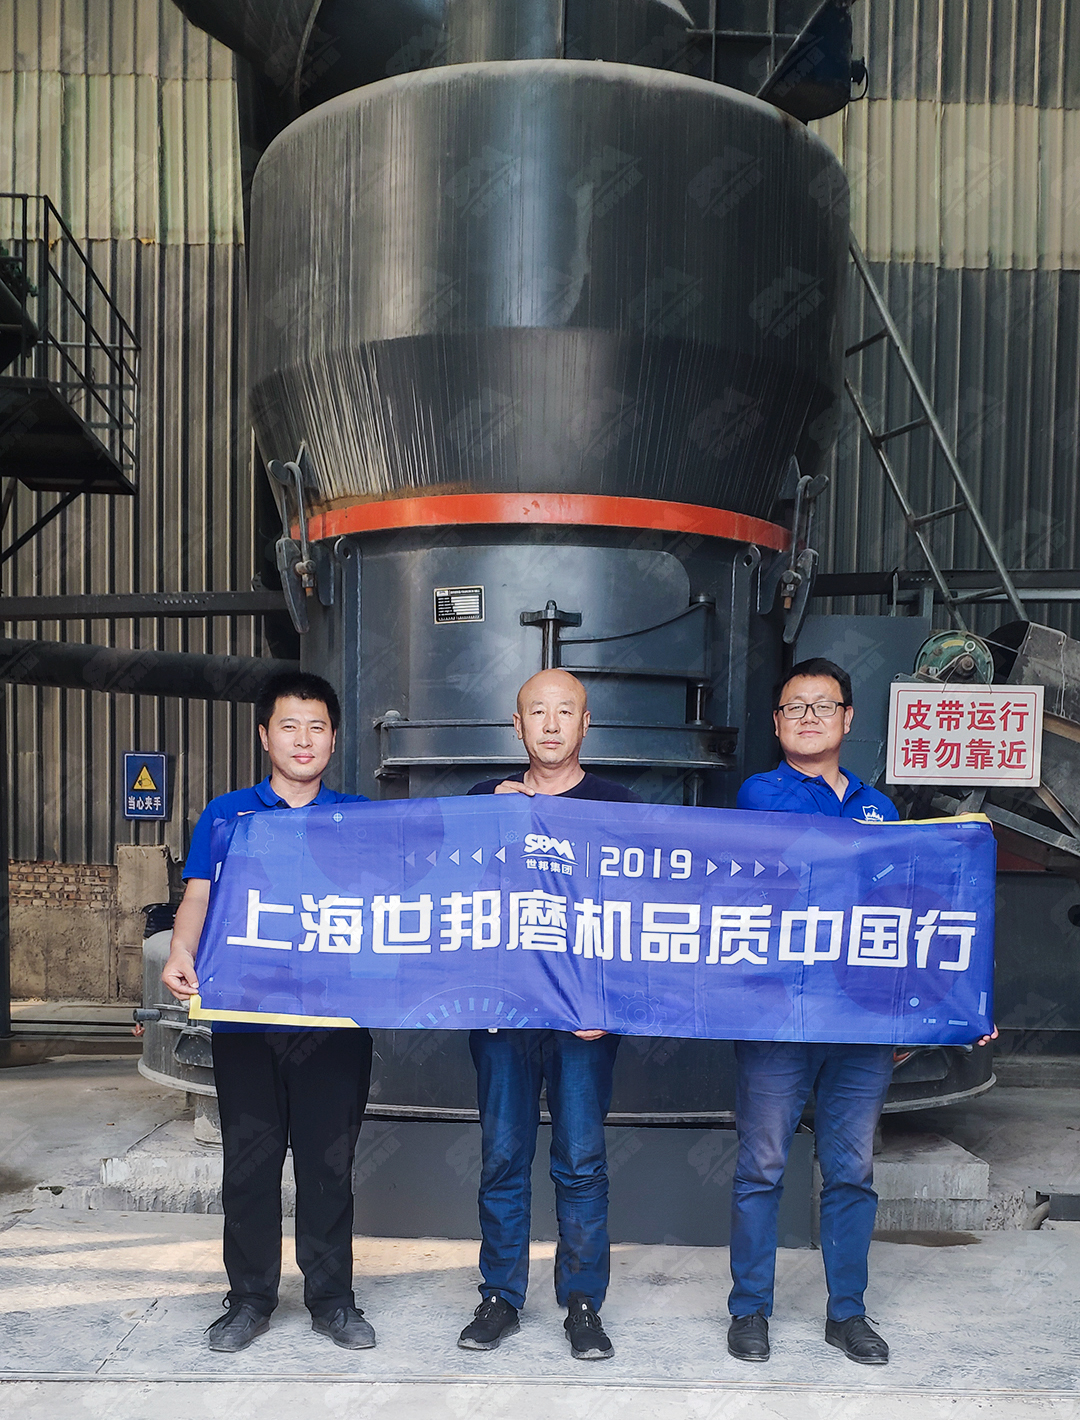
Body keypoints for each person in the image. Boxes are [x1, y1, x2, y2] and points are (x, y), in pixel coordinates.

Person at [161, 670, 376, 1354]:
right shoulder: (228, 815)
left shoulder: (361, 820)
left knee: (328, 1167)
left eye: (317, 727)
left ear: (334, 739)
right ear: (264, 736)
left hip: (333, 1026)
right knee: (249, 1168)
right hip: (247, 1020)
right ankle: (250, 1299)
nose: (303, 739)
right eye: (289, 726)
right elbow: (199, 896)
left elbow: (400, 898)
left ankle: (332, 1300)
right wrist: (181, 951)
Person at [458, 668, 640, 1362]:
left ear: (586, 724)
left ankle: (583, 1303)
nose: (552, 723)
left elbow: (639, 917)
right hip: (503, 1017)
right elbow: (451, 898)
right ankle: (500, 1297)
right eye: (538, 711)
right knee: (503, 1157)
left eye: (566, 711)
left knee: (582, 1162)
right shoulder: (485, 801)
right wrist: (490, 819)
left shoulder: (618, 807)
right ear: (518, 725)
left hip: (583, 1019)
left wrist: (611, 1002)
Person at [727, 657, 899, 1368]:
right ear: (777, 722)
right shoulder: (760, 794)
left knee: (852, 1169)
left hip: (860, 1020)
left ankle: (847, 1313)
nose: (808, 717)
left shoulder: (881, 808)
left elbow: (902, 913)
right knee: (763, 1165)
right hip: (778, 1014)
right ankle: (750, 1310)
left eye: (822, 705)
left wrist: (921, 1012)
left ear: (848, 719)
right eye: (794, 707)